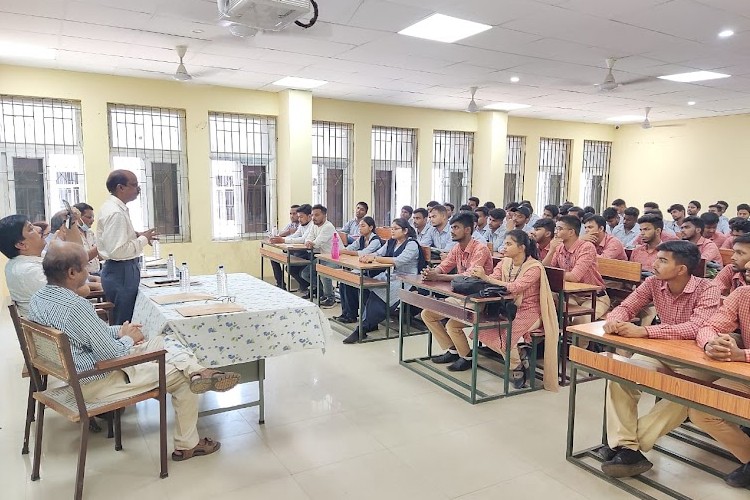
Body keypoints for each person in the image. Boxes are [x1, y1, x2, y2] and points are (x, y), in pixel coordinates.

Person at [28, 242, 241, 461]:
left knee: (160, 339)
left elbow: (88, 333)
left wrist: (121, 331)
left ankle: (198, 371)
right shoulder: (75, 306)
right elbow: (110, 354)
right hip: (95, 382)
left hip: (74, 375)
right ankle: (188, 443)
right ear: (72, 273)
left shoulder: (39, 299)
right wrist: (129, 339)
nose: (90, 270)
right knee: (183, 380)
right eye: (85, 266)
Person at [599, 240, 721, 478]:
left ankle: (630, 446)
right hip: (662, 351)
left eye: (663, 260)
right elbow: (628, 306)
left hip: (697, 359)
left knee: (683, 393)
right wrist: (615, 318)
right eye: (657, 258)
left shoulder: (707, 288)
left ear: (681, 269)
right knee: (621, 376)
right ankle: (627, 446)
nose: (654, 264)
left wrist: (645, 331)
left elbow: (697, 327)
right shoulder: (653, 282)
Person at [471, 230, 560, 390]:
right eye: (504, 243)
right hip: (509, 309)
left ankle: (516, 367)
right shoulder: (506, 261)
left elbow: (515, 287)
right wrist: (480, 276)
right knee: (484, 330)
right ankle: (519, 359)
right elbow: (496, 277)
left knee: (506, 334)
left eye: (508, 244)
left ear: (522, 248)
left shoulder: (535, 267)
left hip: (531, 311)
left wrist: (486, 278)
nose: (503, 247)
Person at [693, 276, 750, 488]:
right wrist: (711, 343)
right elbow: (710, 326)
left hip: (744, 362)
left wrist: (742, 355)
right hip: (746, 375)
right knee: (703, 408)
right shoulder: (743, 294)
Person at [421, 213, 494, 371]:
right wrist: (432, 272)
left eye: (456, 227)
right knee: (428, 314)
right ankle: (453, 350)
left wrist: (439, 276)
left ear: (467, 230)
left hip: (480, 299)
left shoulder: (480, 249)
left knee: (452, 324)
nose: (452, 231)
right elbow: (446, 265)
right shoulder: (457, 248)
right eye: (452, 227)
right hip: (461, 296)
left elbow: (469, 276)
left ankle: (467, 357)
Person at [343, 218, 423, 344]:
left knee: (379, 292)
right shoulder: (392, 242)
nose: (392, 231)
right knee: (366, 285)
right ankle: (369, 323)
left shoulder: (411, 244)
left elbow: (399, 260)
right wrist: (369, 256)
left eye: (396, 229)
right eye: (392, 228)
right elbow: (379, 253)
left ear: (405, 230)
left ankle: (362, 329)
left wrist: (374, 258)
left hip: (407, 279)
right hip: (391, 275)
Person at [1, 215, 95, 316]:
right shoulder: (27, 270)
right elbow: (81, 290)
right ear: (21, 244)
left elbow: (78, 258)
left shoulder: (36, 258)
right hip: (56, 329)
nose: (39, 229)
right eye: (31, 229)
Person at [96, 170, 157, 325]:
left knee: (126, 316)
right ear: (120, 188)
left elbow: (116, 237)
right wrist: (143, 239)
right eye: (134, 185)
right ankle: (123, 348)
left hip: (121, 270)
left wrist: (136, 234)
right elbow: (117, 251)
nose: (138, 189)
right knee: (123, 321)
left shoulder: (115, 207)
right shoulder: (115, 212)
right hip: (120, 270)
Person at [542, 215, 610, 322]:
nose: (556, 232)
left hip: (594, 297)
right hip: (571, 295)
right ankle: (557, 338)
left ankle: (576, 338)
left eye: (560, 229)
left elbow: (574, 277)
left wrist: (555, 274)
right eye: (556, 228)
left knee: (580, 321)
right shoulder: (559, 247)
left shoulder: (586, 247)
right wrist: (551, 251)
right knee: (555, 312)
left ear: (571, 232)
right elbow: (544, 270)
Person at [335, 216, 383, 323]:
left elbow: (363, 253)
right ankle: (346, 313)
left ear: (371, 227)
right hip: (362, 269)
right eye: (359, 226)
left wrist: (344, 252)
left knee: (349, 282)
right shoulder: (361, 238)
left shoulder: (376, 240)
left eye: (363, 226)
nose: (360, 228)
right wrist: (343, 250)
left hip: (374, 272)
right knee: (344, 281)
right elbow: (351, 248)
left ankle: (352, 315)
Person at [270, 204, 313, 293]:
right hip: (300, 250)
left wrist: (283, 240)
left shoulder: (312, 225)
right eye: (298, 217)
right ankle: (283, 285)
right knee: (279, 261)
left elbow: (303, 239)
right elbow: (294, 235)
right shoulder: (302, 225)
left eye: (301, 216)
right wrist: (281, 239)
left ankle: (308, 286)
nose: (299, 219)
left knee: (292, 267)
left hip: (311, 253)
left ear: (309, 216)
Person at [299, 204, 336, 307]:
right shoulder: (314, 226)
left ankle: (330, 298)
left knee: (324, 273)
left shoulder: (328, 226)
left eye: (317, 215)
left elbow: (318, 242)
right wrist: (309, 242)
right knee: (306, 274)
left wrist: (311, 243)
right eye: (312, 215)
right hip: (323, 256)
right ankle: (324, 292)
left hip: (335, 257)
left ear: (324, 215)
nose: (314, 218)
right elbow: (308, 238)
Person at [270, 204, 300, 289]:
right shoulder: (291, 224)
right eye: (290, 214)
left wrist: (288, 234)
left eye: (294, 214)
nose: (292, 216)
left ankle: (304, 286)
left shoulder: (303, 225)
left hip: (300, 251)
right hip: (289, 250)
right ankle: (280, 284)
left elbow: (300, 238)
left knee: (290, 267)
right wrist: (288, 232)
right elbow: (279, 235)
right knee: (273, 258)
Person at [74, 202, 101, 274]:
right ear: (78, 217)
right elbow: (82, 258)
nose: (92, 220)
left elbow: (99, 256)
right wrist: (102, 245)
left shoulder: (90, 233)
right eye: (89, 217)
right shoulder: (73, 235)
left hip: (97, 272)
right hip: (85, 276)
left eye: (93, 217)